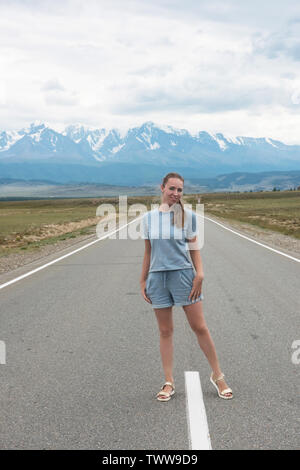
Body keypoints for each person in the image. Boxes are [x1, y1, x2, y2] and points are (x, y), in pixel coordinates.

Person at [140, 172, 233, 402]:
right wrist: (143, 280)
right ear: (161, 188)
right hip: (157, 279)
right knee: (165, 331)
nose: (176, 193)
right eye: (172, 188)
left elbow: (194, 249)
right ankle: (168, 382)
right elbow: (148, 251)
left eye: (180, 190)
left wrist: (199, 273)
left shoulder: (187, 217)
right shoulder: (148, 218)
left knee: (200, 327)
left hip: (183, 275)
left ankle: (218, 376)